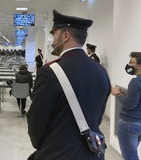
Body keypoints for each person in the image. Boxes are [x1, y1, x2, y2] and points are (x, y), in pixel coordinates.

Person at [27, 9, 110, 160]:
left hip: (58, 153)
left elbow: (36, 121)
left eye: (54, 35)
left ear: (66, 36)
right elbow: (98, 116)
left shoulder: (50, 72)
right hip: (92, 153)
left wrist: (42, 145)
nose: (52, 41)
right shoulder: (101, 72)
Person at [111, 52, 141, 160]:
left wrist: (117, 94)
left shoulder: (135, 82)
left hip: (129, 124)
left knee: (130, 157)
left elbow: (129, 105)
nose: (129, 65)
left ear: (139, 65)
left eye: (132, 62)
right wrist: (127, 93)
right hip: (139, 124)